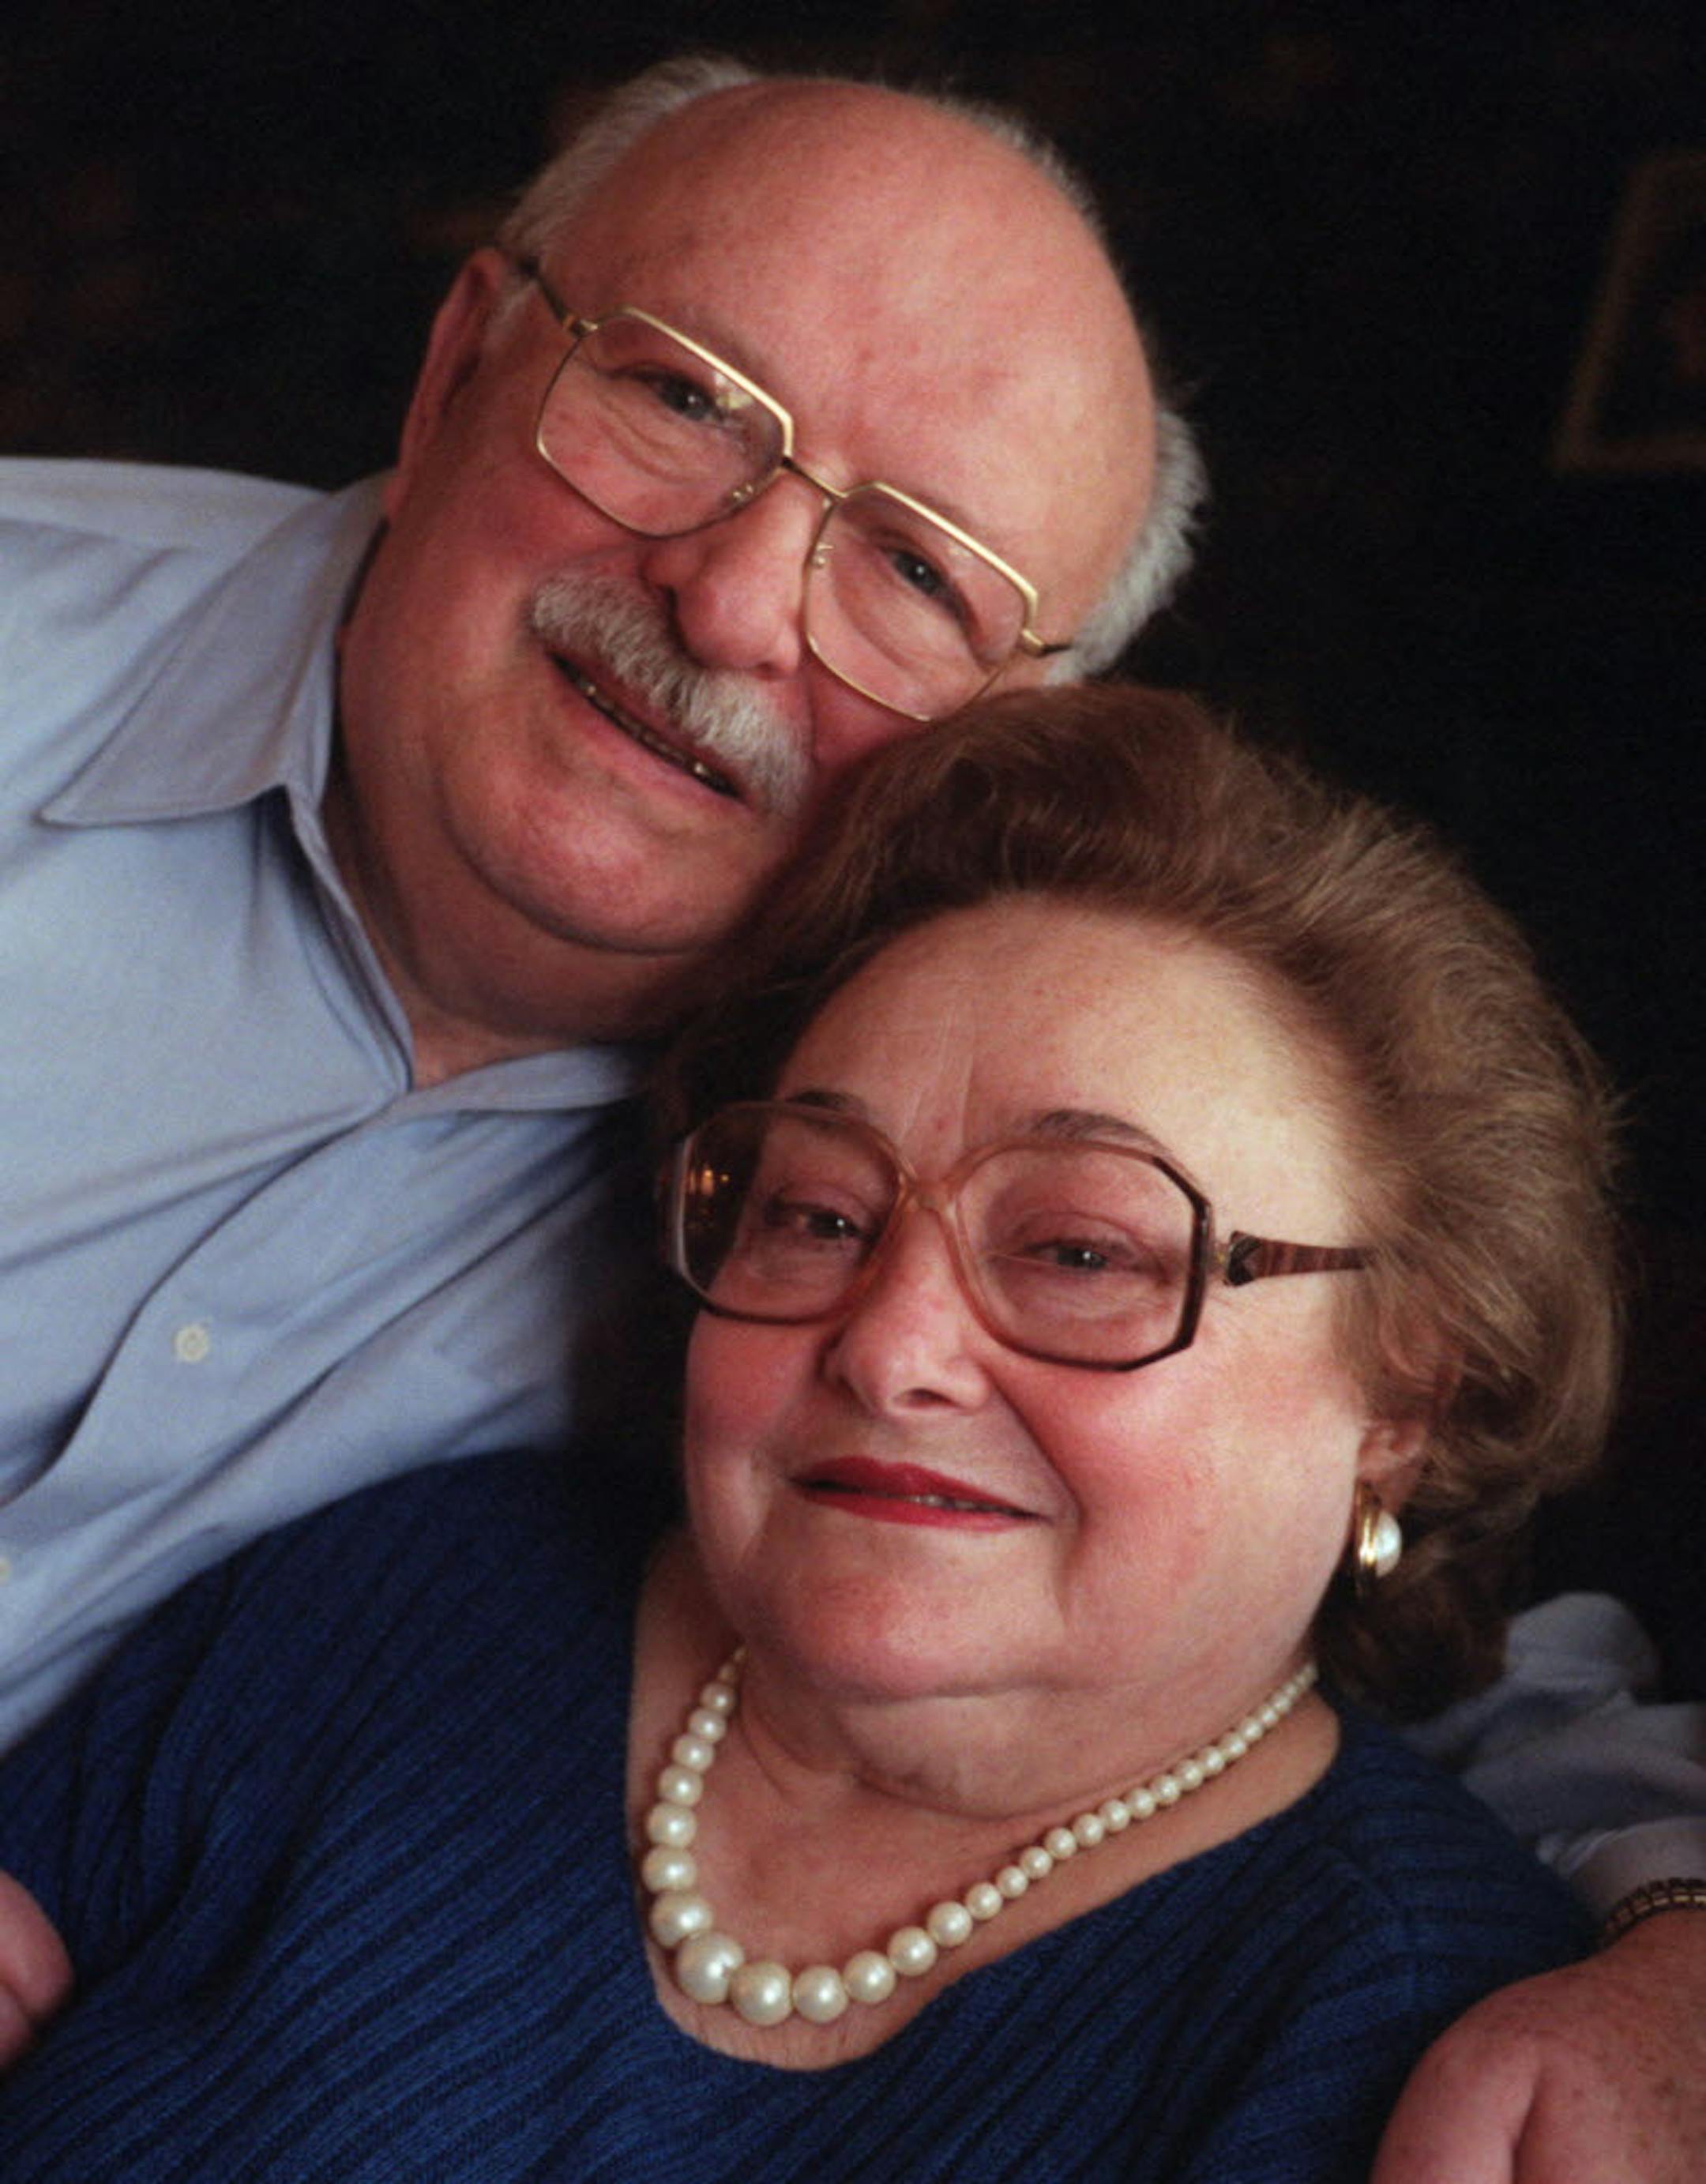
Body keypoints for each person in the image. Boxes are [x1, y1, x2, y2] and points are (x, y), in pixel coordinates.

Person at [0, 53, 1700, 2179]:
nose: (732, 600)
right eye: (687, 396)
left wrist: (1684, 1914)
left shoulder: (877, 1134)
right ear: (457, 364)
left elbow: (1320, 1595)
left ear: (1008, 733)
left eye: (915, 565)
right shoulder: (411, 1607)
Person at [0, 686, 1620, 2178]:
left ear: (1407, 1397)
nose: (895, 1347)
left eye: (1078, 1251)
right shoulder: (414, 1595)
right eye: (820, 1213)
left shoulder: (1424, 2045)